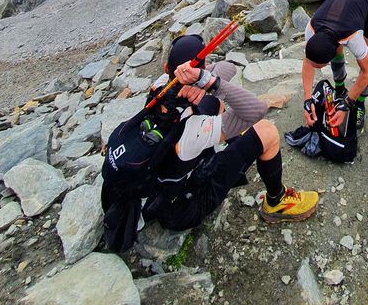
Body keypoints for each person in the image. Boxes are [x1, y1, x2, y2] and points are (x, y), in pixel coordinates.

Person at [102, 33, 318, 246]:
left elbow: (228, 68)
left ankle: (220, 148)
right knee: (266, 131)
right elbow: (257, 110)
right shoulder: (194, 130)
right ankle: (276, 201)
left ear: (167, 68)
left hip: (156, 182)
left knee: (214, 103)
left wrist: (199, 82)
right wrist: (207, 82)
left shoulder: (159, 87)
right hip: (181, 208)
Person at [301, 0, 368, 135]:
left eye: (319, 66)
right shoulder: (311, 30)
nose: (315, 67)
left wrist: (348, 103)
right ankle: (339, 88)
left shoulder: (353, 38)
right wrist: (307, 99)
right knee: (334, 45)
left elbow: (367, 73)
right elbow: (308, 62)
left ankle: (360, 104)